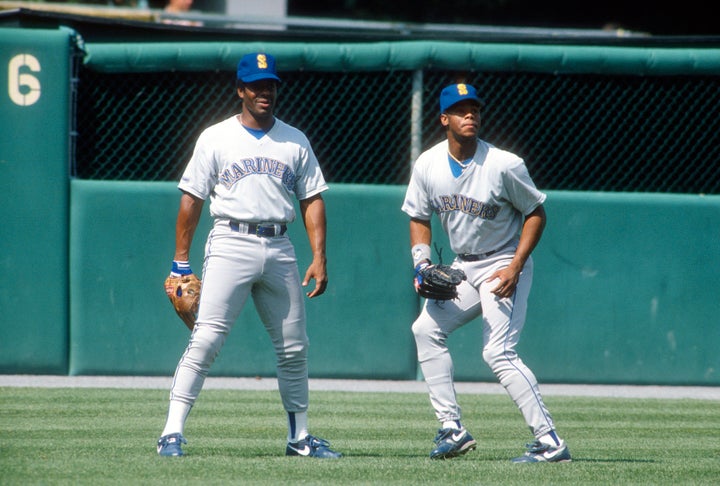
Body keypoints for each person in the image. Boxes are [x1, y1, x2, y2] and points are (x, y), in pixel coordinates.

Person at [156, 52, 341, 459]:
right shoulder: (215, 136)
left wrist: (319, 256)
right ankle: (171, 433)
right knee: (206, 339)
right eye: (256, 85)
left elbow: (312, 199)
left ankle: (300, 438)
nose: (264, 92)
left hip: (280, 244)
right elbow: (192, 199)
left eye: (270, 85)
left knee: (294, 346)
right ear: (240, 90)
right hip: (231, 241)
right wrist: (180, 260)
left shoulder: (295, 139)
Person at [401, 83, 571, 463]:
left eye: (475, 109)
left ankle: (550, 441)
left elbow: (536, 213)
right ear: (444, 119)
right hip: (464, 266)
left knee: (498, 351)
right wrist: (421, 263)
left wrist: (516, 265)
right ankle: (452, 428)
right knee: (425, 330)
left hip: (503, 262)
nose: (470, 115)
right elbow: (418, 215)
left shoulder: (503, 164)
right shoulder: (427, 164)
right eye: (461, 110)